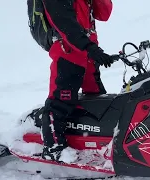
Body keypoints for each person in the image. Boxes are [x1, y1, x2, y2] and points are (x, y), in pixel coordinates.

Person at [33, 0, 116, 162]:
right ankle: (53, 148)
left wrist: (91, 49)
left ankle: (92, 140)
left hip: (89, 52)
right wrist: (89, 48)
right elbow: (64, 22)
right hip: (68, 51)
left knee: (96, 100)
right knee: (60, 102)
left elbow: (104, 14)